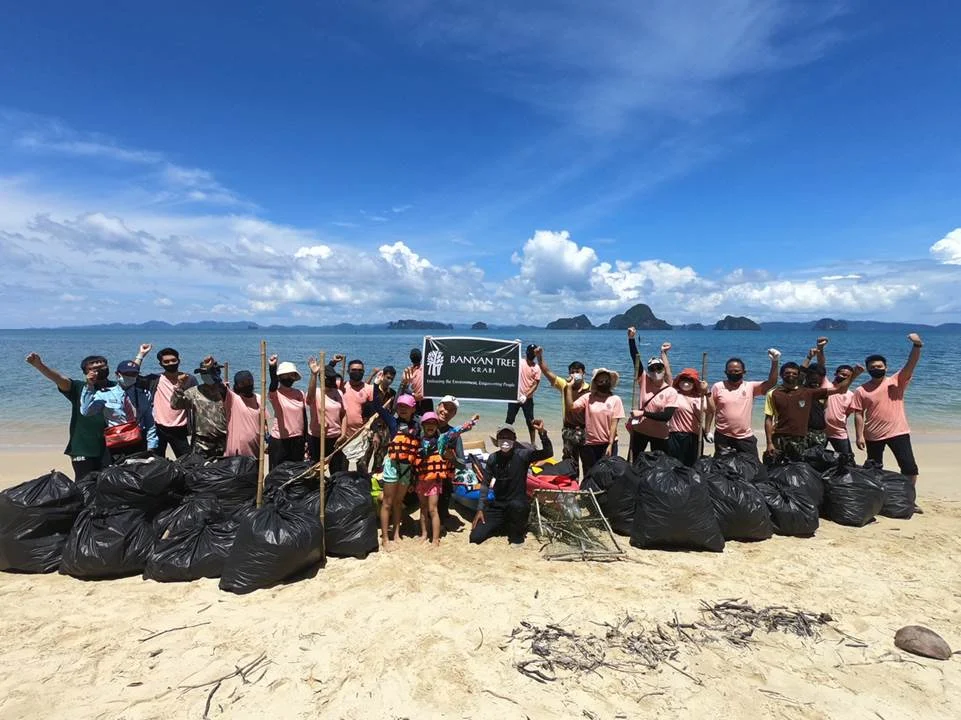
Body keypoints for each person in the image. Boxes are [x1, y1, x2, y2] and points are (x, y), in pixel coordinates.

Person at [851, 333, 924, 486]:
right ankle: (877, 496)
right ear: (868, 370)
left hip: (898, 432)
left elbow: (911, 364)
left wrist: (916, 345)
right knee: (874, 469)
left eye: (879, 366)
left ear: (886, 367)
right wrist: (859, 436)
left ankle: (909, 498)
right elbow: (858, 414)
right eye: (872, 368)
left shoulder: (897, 381)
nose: (876, 369)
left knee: (909, 467)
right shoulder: (861, 390)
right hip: (873, 435)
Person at [470, 421, 553, 546]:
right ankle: (505, 524)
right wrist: (480, 509)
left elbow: (548, 453)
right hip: (498, 505)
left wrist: (542, 433)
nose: (505, 440)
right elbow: (485, 484)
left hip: (518, 504)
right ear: (497, 440)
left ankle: (517, 531)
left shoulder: (523, 455)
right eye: (502, 437)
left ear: (514, 439)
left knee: (516, 513)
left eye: (509, 437)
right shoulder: (493, 458)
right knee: (476, 537)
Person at [26, 352, 108, 479]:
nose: (98, 372)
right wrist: (39, 365)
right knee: (84, 484)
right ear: (85, 372)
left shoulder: (116, 387)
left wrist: (141, 354)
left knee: (109, 484)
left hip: (111, 445)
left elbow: (131, 374)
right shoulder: (78, 387)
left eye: (101, 368)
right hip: (82, 447)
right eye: (93, 369)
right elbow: (58, 378)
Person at [763, 362, 861, 461]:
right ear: (781, 374)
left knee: (801, 466)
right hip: (779, 437)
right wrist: (769, 443)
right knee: (776, 466)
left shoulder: (807, 392)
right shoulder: (773, 393)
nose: (791, 375)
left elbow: (838, 389)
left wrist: (855, 374)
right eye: (787, 373)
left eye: (794, 373)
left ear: (798, 376)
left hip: (801, 438)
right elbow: (768, 419)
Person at [416, 411, 479, 547]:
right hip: (421, 480)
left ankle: (435, 539)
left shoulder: (441, 440)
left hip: (434, 482)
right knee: (423, 509)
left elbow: (456, 431)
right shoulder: (419, 440)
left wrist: (471, 423)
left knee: (433, 509)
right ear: (423, 426)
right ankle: (424, 534)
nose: (430, 426)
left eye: (433, 423)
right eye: (427, 423)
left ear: (437, 426)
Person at [80, 360, 158, 461]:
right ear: (118, 374)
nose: (130, 376)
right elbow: (86, 412)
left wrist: (152, 446)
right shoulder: (104, 394)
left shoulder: (144, 394)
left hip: (139, 439)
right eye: (126, 374)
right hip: (117, 440)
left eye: (133, 374)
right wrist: (89, 386)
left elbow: (150, 422)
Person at [708, 349, 781, 457]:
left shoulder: (750, 387)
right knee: (722, 468)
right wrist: (707, 430)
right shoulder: (718, 386)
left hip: (745, 437)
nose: (733, 373)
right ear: (725, 372)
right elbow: (710, 410)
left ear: (744, 372)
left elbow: (771, 383)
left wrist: (775, 362)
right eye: (730, 371)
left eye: (737, 371)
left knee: (752, 467)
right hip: (723, 436)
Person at [373, 394, 420, 548]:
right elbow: (378, 407)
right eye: (400, 406)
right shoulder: (393, 423)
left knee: (398, 502)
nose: (402, 409)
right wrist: (376, 385)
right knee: (387, 502)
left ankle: (397, 533)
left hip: (407, 468)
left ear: (413, 408)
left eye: (406, 406)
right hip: (392, 466)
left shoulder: (418, 426)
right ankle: (385, 538)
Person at [535, 347, 589, 474]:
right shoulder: (564, 385)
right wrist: (539, 357)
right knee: (569, 462)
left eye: (577, 371)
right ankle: (571, 487)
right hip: (568, 430)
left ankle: (587, 488)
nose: (575, 374)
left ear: (583, 373)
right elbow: (546, 371)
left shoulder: (591, 388)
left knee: (588, 462)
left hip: (586, 430)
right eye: (572, 372)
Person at [140, 347, 194, 458]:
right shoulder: (154, 379)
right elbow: (132, 375)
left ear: (179, 360)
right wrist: (141, 355)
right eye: (166, 362)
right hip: (158, 428)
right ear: (161, 364)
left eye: (173, 360)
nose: (171, 363)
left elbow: (198, 399)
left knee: (187, 461)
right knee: (158, 462)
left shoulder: (189, 379)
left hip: (180, 428)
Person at [627, 345, 678, 458]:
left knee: (659, 467)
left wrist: (643, 413)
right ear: (648, 371)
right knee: (634, 462)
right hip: (640, 431)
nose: (656, 371)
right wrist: (631, 339)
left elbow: (666, 416)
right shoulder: (644, 381)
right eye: (652, 369)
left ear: (664, 370)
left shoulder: (671, 391)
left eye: (659, 368)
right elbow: (636, 359)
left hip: (660, 435)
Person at [171, 357, 228, 459]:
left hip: (223, 440)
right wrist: (179, 386)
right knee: (199, 471)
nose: (207, 376)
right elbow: (176, 405)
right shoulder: (194, 392)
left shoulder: (225, 391)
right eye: (204, 374)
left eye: (209, 373)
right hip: (201, 442)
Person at [571, 369, 625, 475]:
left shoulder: (615, 399)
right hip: (589, 444)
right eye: (600, 381)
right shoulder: (588, 397)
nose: (603, 383)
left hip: (608, 443)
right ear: (595, 382)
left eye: (606, 381)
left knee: (607, 473)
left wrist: (610, 444)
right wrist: (568, 388)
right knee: (589, 473)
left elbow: (614, 424)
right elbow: (572, 407)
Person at [666, 368, 713, 466]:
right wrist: (664, 354)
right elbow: (667, 374)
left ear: (695, 383)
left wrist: (707, 392)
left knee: (692, 467)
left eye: (690, 380)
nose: (686, 383)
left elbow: (711, 411)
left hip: (694, 437)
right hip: (675, 436)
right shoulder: (674, 394)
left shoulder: (700, 398)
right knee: (674, 466)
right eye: (683, 379)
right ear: (679, 381)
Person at [267, 355, 307, 469]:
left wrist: (305, 439)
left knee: (295, 472)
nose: (289, 378)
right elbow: (273, 383)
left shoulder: (300, 393)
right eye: (286, 375)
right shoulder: (275, 394)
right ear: (279, 377)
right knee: (277, 472)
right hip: (279, 440)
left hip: (298, 440)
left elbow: (304, 417)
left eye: (291, 375)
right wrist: (272, 367)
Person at [305, 358, 346, 470]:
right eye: (329, 378)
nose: (332, 381)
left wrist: (343, 434)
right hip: (317, 437)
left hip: (335, 437)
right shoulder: (316, 393)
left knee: (336, 468)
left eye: (334, 378)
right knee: (315, 468)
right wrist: (313, 374)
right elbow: (309, 399)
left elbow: (343, 414)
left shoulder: (339, 393)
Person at [435, 394, 466, 524]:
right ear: (438, 406)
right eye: (444, 407)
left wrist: (452, 459)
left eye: (451, 410)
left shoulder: (455, 435)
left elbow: (462, 465)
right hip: (423, 479)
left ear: (454, 414)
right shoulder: (425, 425)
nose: (446, 412)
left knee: (440, 518)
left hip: (443, 482)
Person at [505, 344, 542, 444]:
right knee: (509, 420)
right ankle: (506, 439)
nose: (531, 355)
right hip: (514, 398)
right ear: (526, 353)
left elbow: (535, 384)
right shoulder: (520, 362)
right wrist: (513, 346)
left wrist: (526, 395)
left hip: (528, 399)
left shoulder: (537, 368)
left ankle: (533, 443)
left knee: (530, 422)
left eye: (533, 353)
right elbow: (508, 361)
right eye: (530, 353)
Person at [341, 358, 374, 470]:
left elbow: (375, 412)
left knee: (361, 466)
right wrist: (333, 363)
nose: (357, 372)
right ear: (348, 372)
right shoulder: (341, 387)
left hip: (361, 434)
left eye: (360, 370)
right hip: (343, 434)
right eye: (354, 370)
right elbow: (325, 378)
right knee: (342, 465)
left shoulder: (369, 389)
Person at [223, 370, 262, 458]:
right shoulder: (233, 399)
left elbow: (263, 421)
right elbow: (220, 387)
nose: (247, 385)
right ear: (237, 386)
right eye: (242, 383)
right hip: (236, 453)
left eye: (249, 382)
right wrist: (212, 371)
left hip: (255, 449)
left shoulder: (259, 398)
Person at [825, 364, 857, 457]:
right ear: (835, 374)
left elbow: (847, 414)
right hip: (821, 431)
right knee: (815, 457)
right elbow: (821, 365)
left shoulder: (851, 395)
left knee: (847, 459)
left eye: (848, 376)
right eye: (842, 374)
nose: (845, 377)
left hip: (839, 432)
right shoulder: (826, 386)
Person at [403, 347, 432, 414]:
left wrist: (412, 394)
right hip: (425, 400)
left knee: (416, 421)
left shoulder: (408, 371)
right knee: (428, 421)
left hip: (415, 399)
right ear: (421, 357)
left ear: (410, 358)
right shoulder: (426, 368)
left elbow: (404, 388)